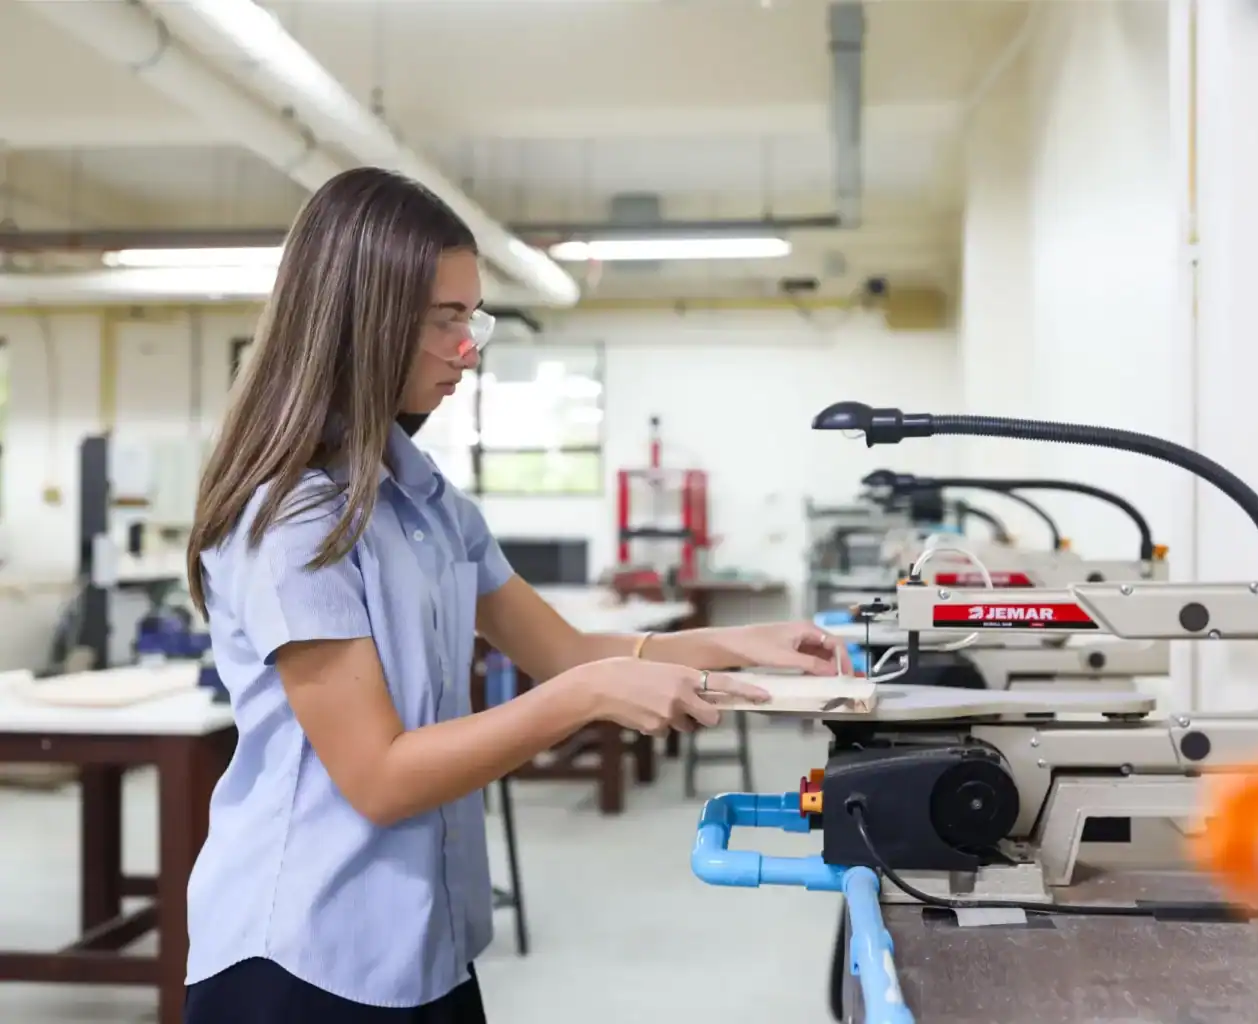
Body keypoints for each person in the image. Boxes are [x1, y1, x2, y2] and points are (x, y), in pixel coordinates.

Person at [179, 166, 847, 1024]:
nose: (470, 345)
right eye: (446, 319)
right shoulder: (293, 520)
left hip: (428, 942)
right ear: (365, 322)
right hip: (301, 957)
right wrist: (586, 698)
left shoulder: (424, 500)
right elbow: (379, 777)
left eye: (473, 317)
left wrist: (738, 642)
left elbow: (563, 653)